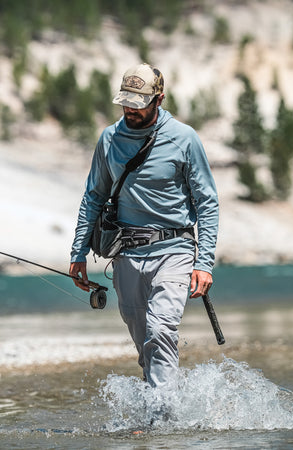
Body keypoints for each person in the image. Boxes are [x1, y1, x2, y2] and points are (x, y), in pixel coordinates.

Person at [69, 63, 219, 389]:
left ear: (159, 99)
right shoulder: (109, 139)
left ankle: (159, 422)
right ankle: (165, 410)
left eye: (138, 104)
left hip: (174, 250)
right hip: (127, 255)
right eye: (125, 102)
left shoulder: (184, 138)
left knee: (162, 330)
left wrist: (204, 263)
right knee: (145, 347)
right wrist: (78, 252)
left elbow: (207, 203)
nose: (130, 110)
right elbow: (92, 197)